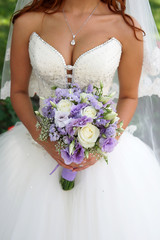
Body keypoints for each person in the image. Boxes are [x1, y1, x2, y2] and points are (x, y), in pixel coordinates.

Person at [0, 0, 160, 239]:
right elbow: (19, 93)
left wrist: (102, 145)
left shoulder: (126, 28)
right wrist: (47, 143)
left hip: (105, 159)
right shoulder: (28, 21)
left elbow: (128, 96)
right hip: (36, 150)